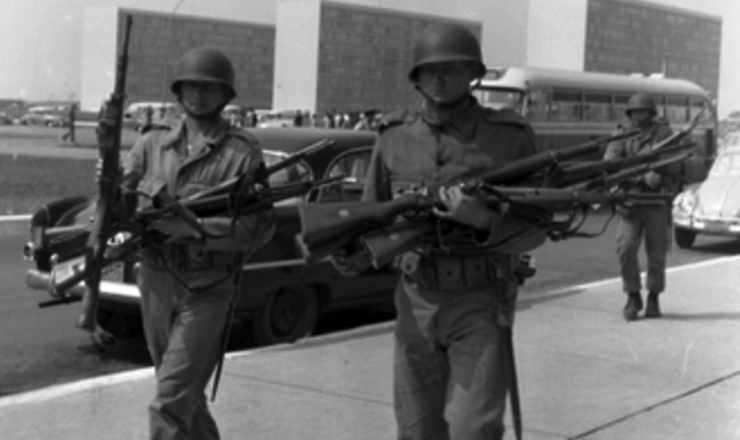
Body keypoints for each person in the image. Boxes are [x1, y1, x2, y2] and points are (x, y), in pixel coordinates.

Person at [358, 22, 547, 440]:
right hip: (415, 299)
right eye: (429, 71)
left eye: (451, 69)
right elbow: (372, 215)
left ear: (472, 75)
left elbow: (536, 228)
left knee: (473, 429)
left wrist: (482, 219)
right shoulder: (393, 137)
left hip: (480, 298)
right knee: (417, 429)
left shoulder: (508, 137)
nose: (439, 79)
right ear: (417, 79)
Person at [121, 47, 275, 440]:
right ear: (178, 90)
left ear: (225, 96)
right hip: (156, 281)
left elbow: (260, 227)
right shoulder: (150, 145)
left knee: (169, 400)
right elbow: (121, 205)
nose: (198, 94)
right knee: (184, 394)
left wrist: (197, 229)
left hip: (208, 287)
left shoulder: (242, 152)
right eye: (191, 85)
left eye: (209, 88)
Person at [604, 93, 683, 321]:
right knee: (625, 247)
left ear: (651, 113)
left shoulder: (664, 134)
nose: (639, 115)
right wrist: (641, 177)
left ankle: (654, 297)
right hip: (630, 201)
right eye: (635, 111)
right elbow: (611, 167)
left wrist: (660, 176)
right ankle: (632, 294)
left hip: (656, 201)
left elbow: (675, 165)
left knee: (656, 253)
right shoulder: (620, 134)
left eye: (643, 111)